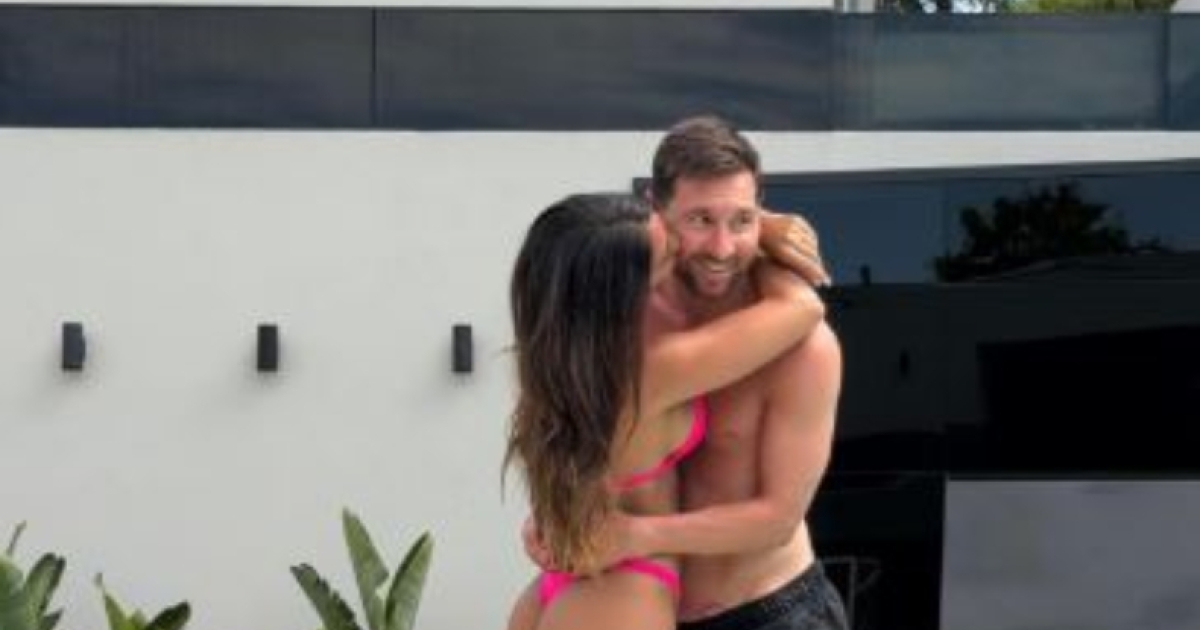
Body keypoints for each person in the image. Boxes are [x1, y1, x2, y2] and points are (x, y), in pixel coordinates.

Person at [526, 115, 849, 630]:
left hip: (762, 613)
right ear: (655, 213)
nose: (722, 248)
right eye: (700, 219)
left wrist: (635, 535)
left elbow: (778, 519)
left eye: (741, 220)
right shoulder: (625, 317)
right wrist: (558, 516)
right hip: (633, 599)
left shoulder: (804, 350)